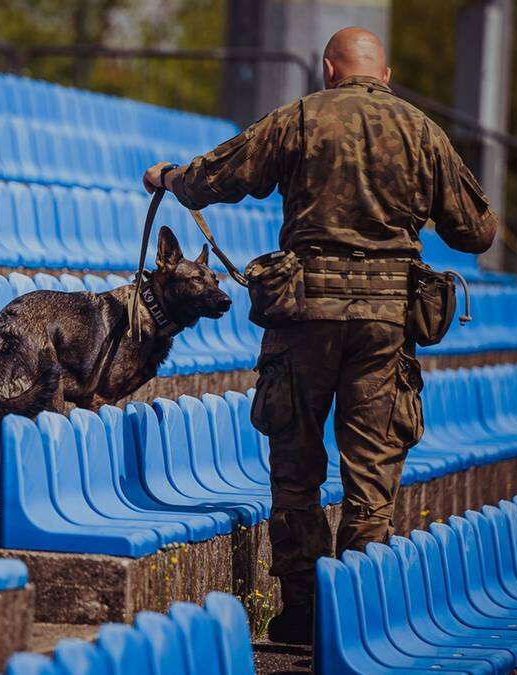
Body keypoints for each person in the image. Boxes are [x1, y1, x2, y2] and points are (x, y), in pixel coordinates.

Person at [143, 26, 498, 645]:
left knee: (297, 467)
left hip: (303, 315)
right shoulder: (420, 130)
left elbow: (217, 177)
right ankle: (355, 618)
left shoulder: (300, 116)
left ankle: (301, 613)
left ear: (329, 71)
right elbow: (477, 232)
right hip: (386, 324)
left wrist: (170, 177)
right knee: (372, 473)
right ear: (383, 77)